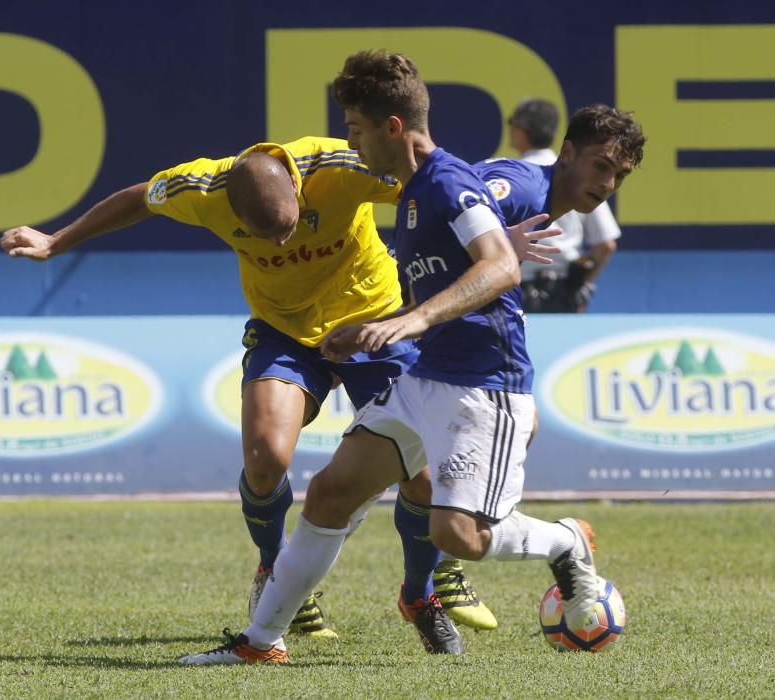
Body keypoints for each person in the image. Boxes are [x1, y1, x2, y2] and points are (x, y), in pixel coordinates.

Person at [175, 50, 643, 666]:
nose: (350, 141)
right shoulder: (443, 187)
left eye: (356, 129)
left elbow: (495, 262)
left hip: (483, 385)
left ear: (391, 128)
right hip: (427, 377)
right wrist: (380, 325)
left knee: (458, 535)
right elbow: (484, 232)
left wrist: (412, 319)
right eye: (603, 167)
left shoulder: (448, 182)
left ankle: (565, 540)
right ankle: (259, 644)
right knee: (330, 496)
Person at [0, 136, 497, 640]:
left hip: (374, 321)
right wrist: (56, 241)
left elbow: (439, 186)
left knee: (425, 474)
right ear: (230, 209)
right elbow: (136, 198)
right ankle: (274, 572)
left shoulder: (343, 166)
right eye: (264, 237)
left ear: (301, 197)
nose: (281, 245)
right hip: (283, 331)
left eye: (289, 230)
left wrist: (494, 235)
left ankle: (420, 591)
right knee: (264, 459)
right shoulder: (200, 187)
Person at [507, 98, 624, 313]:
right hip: (564, 292)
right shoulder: (576, 173)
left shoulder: (509, 175)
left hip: (514, 291)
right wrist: (581, 284)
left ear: (521, 129)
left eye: (511, 122)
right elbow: (606, 245)